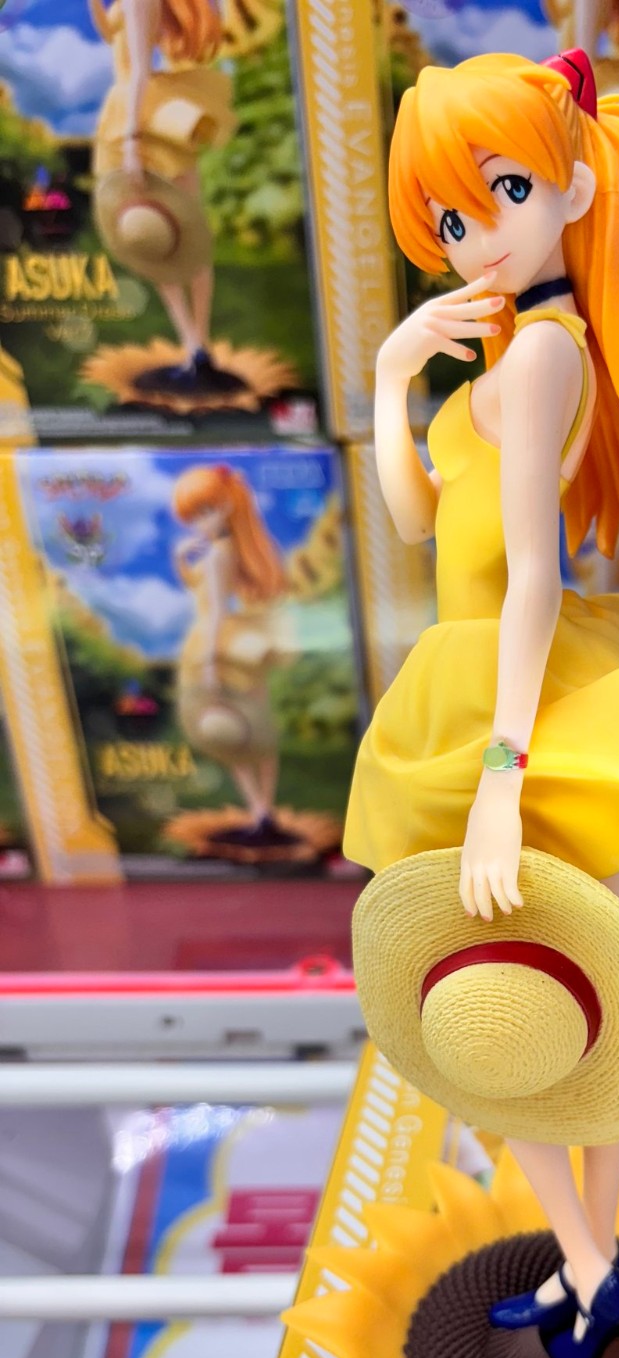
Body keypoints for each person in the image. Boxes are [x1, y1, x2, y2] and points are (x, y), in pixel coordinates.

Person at [343, 49, 619, 1358]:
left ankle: (589, 1267)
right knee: (538, 1006)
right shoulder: (507, 358)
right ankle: (594, 1268)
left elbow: (531, 577)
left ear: (577, 187)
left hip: (518, 705)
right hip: (489, 687)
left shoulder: (542, 360)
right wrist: (392, 380)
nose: (475, 237)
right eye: (449, 218)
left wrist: (502, 779)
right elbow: (419, 524)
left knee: (511, 1008)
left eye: (504, 193)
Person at [91, 0, 245, 396]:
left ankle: (198, 344)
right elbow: (109, 34)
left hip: (140, 114)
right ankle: (195, 346)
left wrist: (131, 138)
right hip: (140, 108)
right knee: (159, 238)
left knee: (177, 231)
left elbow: (140, 69)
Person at [173, 463, 300, 849]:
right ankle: (263, 811)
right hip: (238, 645)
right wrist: (181, 560)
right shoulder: (229, 550)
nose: (199, 523)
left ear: (228, 506)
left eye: (205, 511)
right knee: (252, 730)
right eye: (193, 516)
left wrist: (210, 664)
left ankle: (261, 811)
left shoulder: (218, 555)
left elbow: (214, 612)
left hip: (219, 647)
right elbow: (204, 594)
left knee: (236, 733)